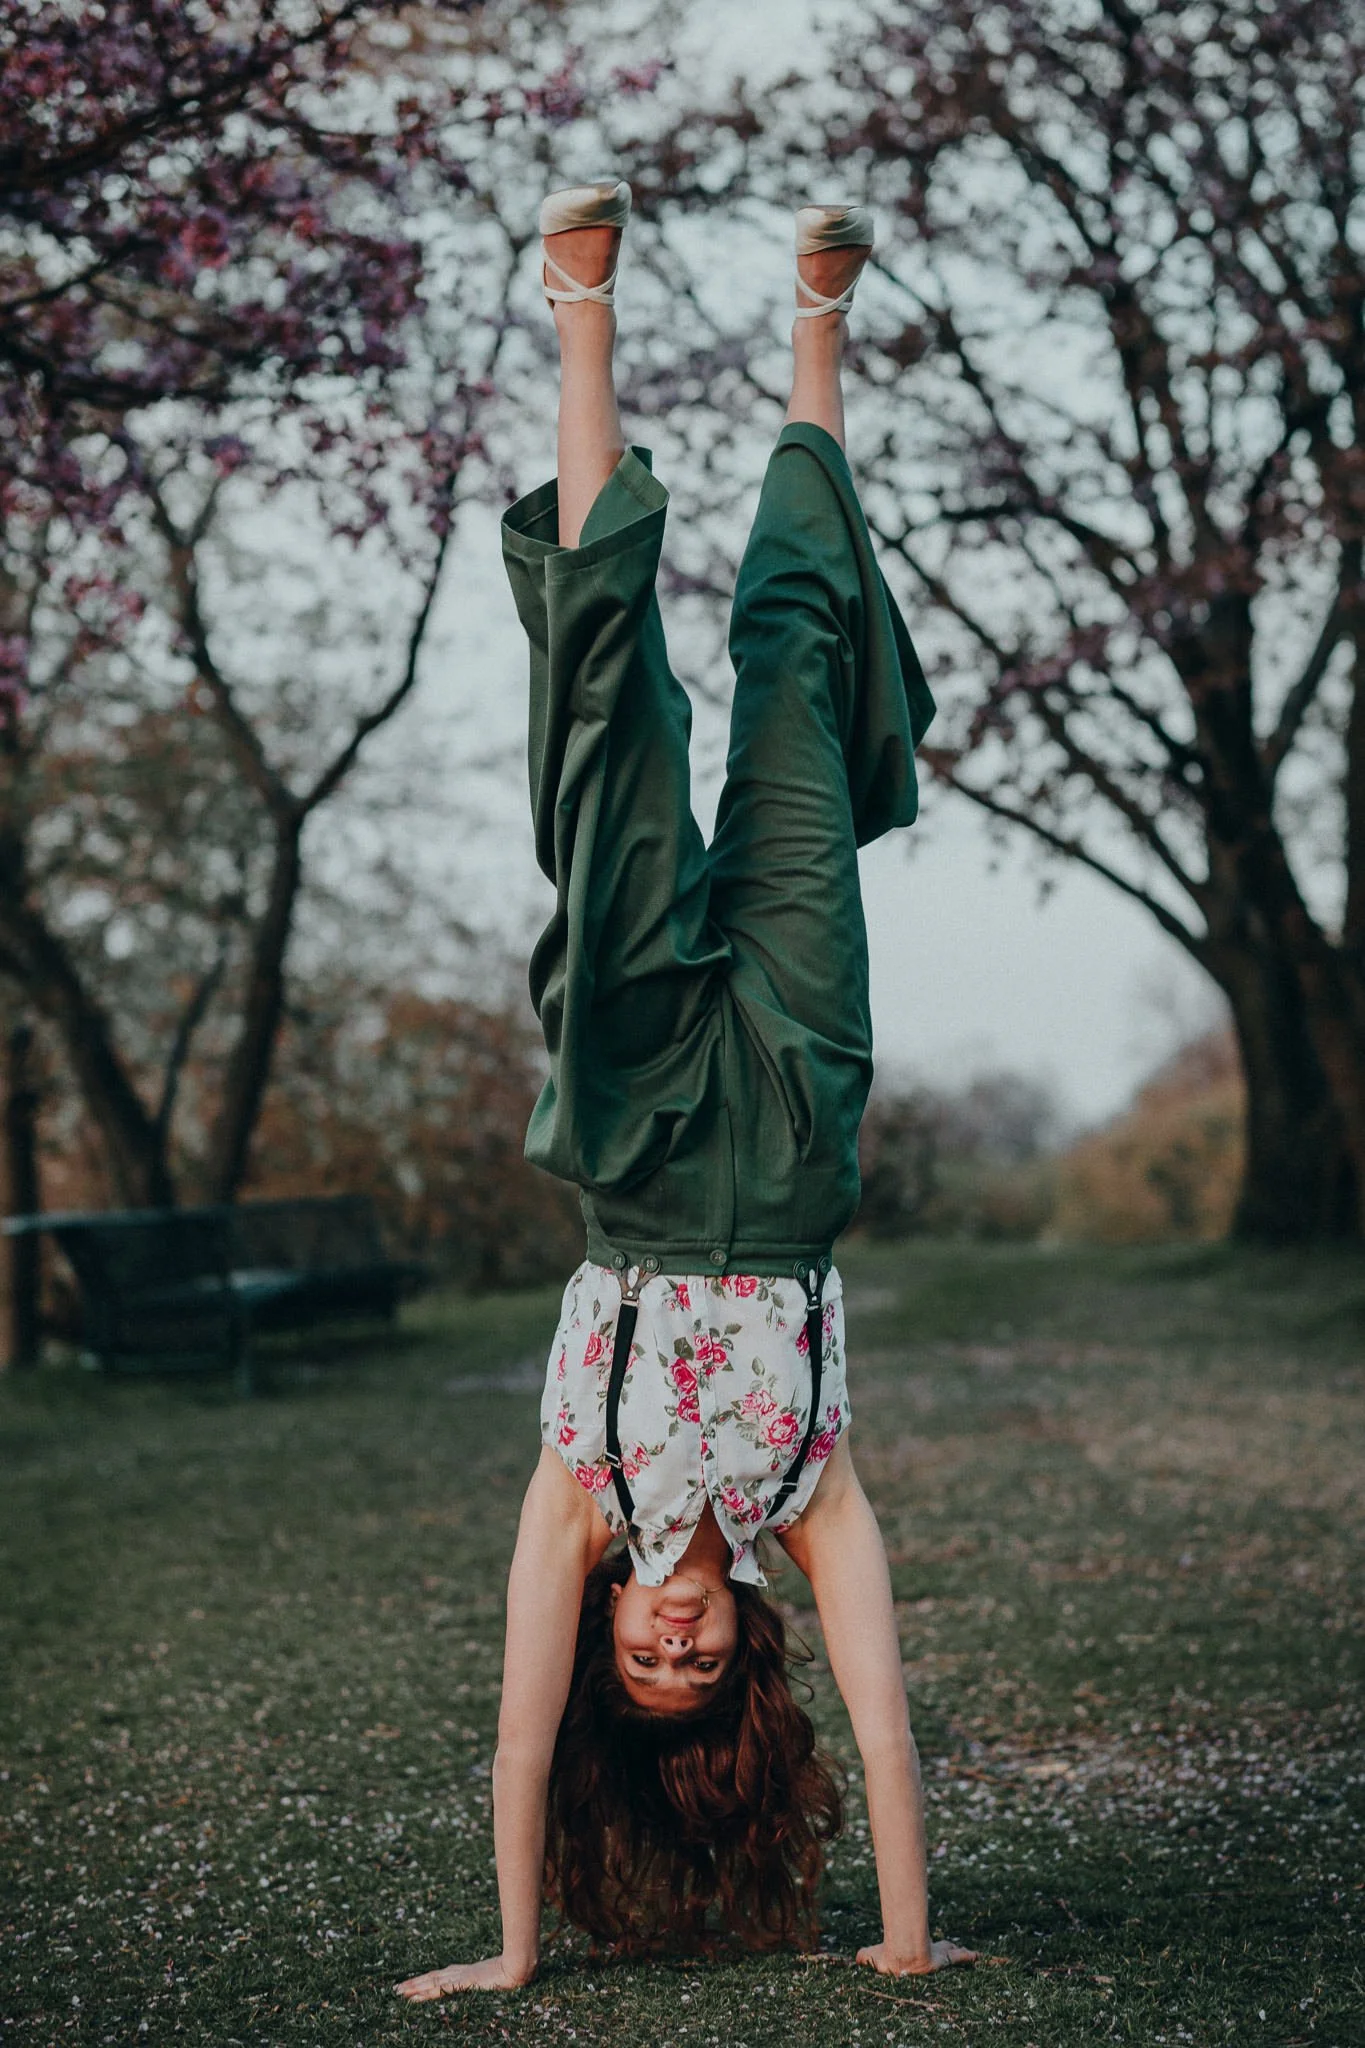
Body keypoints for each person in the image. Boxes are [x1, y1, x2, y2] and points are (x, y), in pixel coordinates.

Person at [396, 178, 977, 2000]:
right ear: (742, 1647)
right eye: (694, 1662)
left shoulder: (574, 1505)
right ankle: (819, 333)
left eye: (641, 1662)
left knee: (615, 732)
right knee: (796, 678)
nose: (666, 1640)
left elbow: (518, 1740)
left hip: (640, 1130)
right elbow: (888, 1724)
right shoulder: (813, 1499)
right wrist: (903, 1937)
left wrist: (513, 1954)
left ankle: (579, 305)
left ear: (613, 1643)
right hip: (794, 1116)